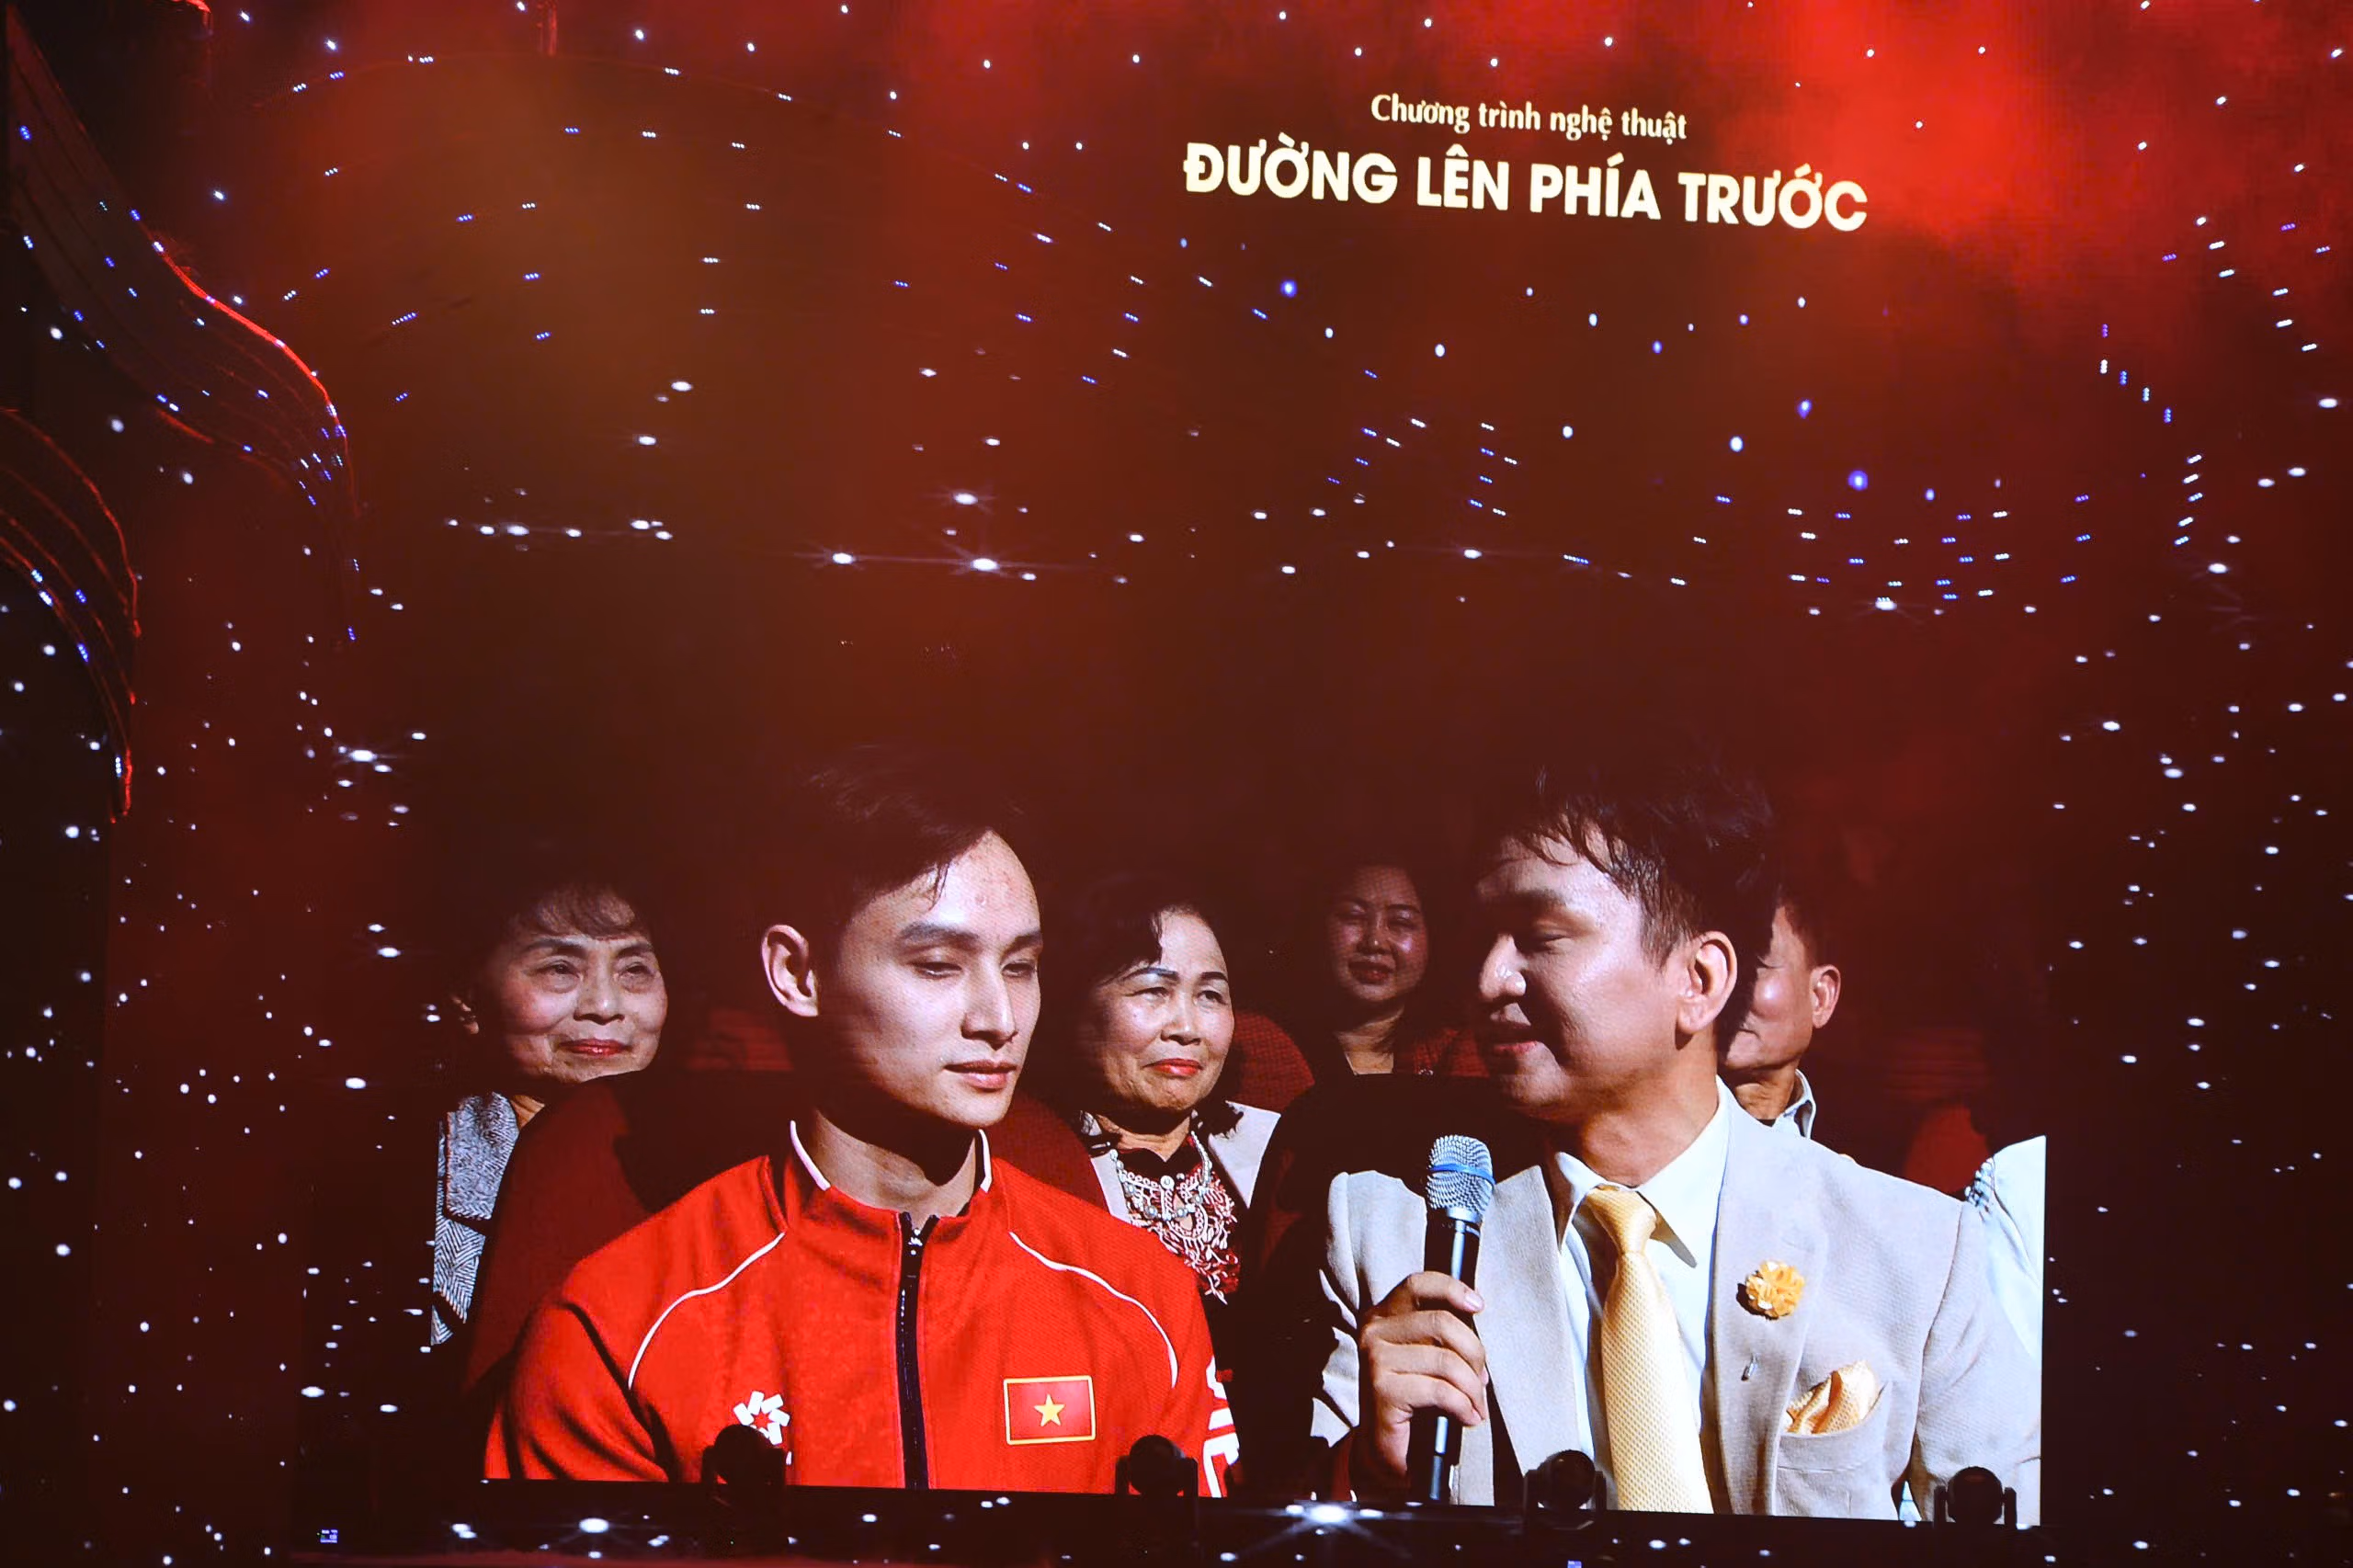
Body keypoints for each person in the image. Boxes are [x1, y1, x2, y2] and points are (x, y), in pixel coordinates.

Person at [1304, 734, 2039, 1518]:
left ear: (1700, 979)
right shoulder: (1388, 1232)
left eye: (1541, 938)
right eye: (1482, 938)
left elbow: (2012, 1528)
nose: (1489, 979)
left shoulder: (1913, 1251)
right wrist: (1374, 1469)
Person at [488, 746, 1233, 1493]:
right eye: (938, 965)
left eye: (1019, 967)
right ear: (797, 974)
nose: (999, 1018)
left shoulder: (1143, 1298)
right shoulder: (618, 1323)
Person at [1035, 874, 1281, 1361]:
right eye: (1153, 991)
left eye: (1210, 996)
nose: (1187, 1028)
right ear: (1073, 1004)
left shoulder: (1279, 1146)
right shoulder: (1028, 1164)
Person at [434, 870, 668, 1347]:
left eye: (634, 970)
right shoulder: (415, 1175)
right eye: (560, 969)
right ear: (468, 1000)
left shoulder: (710, 1173)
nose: (605, 1005)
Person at [1720, 887, 1841, 1140]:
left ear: (1820, 996)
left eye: (1755, 965)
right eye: (1719, 964)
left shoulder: (1850, 1140)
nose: (1726, 987)